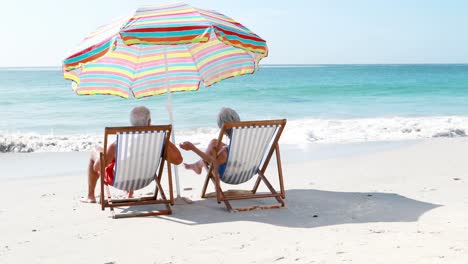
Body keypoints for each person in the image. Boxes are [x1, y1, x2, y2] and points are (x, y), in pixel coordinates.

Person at [82, 106, 183, 203]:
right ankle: (128, 191)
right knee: (133, 158)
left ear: (131, 122)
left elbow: (97, 168)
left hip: (120, 182)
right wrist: (163, 138)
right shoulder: (158, 141)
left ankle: (90, 196)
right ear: (149, 122)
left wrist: (104, 155)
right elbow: (178, 160)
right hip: (145, 180)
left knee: (96, 151)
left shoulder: (119, 143)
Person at [179, 107, 240, 177]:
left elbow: (211, 162)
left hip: (229, 174)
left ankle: (198, 165)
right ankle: (197, 165)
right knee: (215, 142)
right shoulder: (247, 144)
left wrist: (193, 148)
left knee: (214, 147)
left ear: (222, 128)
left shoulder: (226, 151)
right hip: (247, 173)